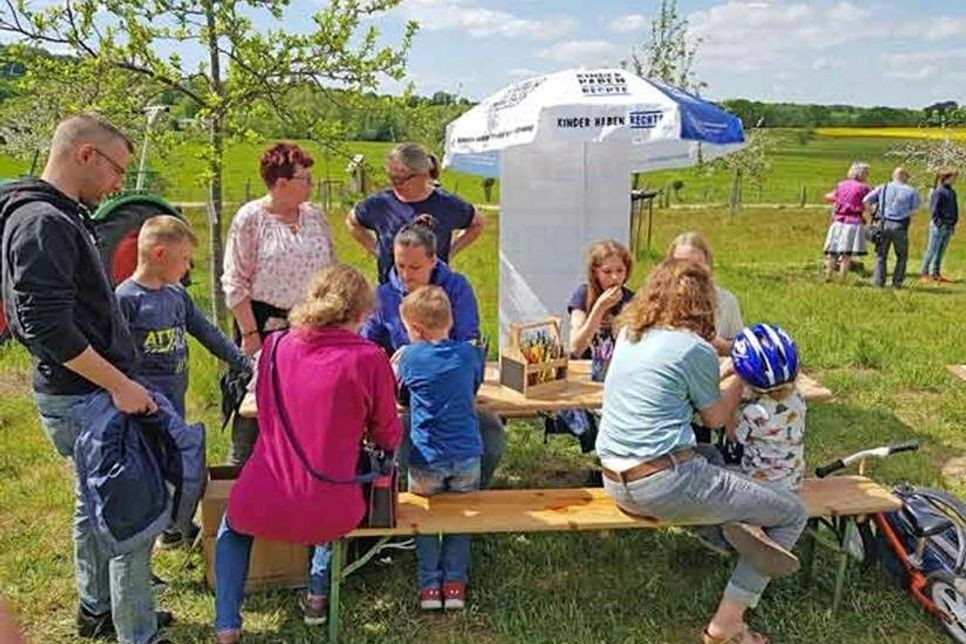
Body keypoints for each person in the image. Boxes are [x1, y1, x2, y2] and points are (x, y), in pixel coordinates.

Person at [0, 113, 171, 643]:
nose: (120, 182)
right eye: (117, 169)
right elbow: (46, 324)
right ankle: (135, 632)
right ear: (85, 155)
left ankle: (95, 609)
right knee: (129, 515)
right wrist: (119, 383)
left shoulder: (57, 214)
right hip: (85, 394)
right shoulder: (42, 222)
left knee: (91, 501)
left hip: (79, 391)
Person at [595, 258, 808, 644]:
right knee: (792, 513)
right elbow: (714, 419)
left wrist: (722, 376)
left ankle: (737, 538)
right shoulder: (694, 348)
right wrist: (741, 375)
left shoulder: (629, 334)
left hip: (615, 480)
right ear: (704, 302)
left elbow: (672, 390)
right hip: (661, 486)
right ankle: (727, 623)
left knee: (713, 460)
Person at [213, 264, 402, 644]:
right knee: (328, 495)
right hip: (332, 503)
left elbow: (264, 410)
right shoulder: (370, 358)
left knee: (231, 530)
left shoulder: (275, 345)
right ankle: (317, 596)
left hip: (266, 491)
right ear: (362, 311)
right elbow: (387, 434)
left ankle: (226, 627)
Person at [116, 215, 250, 549]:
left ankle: (174, 526)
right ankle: (148, 538)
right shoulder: (126, 300)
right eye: (184, 259)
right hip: (143, 408)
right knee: (152, 470)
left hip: (174, 400)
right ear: (159, 253)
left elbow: (208, 334)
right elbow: (114, 356)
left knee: (177, 465)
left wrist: (245, 364)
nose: (188, 267)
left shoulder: (176, 296)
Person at [360, 215, 506, 488]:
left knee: (491, 433)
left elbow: (468, 341)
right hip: (405, 394)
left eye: (415, 267)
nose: (406, 275)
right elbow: (365, 344)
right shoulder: (384, 295)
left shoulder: (456, 288)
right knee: (401, 432)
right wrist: (389, 365)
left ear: (433, 260)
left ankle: (471, 495)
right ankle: (408, 498)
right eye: (400, 265)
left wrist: (425, 353)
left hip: (454, 390)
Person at [221, 142, 336, 465]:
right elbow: (235, 280)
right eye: (305, 179)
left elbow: (331, 268)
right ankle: (238, 490)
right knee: (253, 415)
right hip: (263, 328)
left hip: (313, 330)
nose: (311, 185)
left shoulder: (315, 217)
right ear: (282, 183)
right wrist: (249, 334)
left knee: (306, 415)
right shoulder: (251, 218)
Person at [394, 286, 484, 611]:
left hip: (426, 456)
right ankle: (455, 583)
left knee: (424, 518)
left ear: (415, 329)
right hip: (466, 455)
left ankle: (430, 585)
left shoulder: (410, 356)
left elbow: (401, 396)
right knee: (462, 518)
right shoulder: (468, 354)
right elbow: (473, 385)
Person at [345, 142, 485, 284]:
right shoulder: (380, 203)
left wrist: (450, 252)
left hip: (433, 294)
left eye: (399, 178)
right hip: (391, 296)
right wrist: (377, 251)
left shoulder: (446, 204)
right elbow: (352, 221)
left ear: (422, 175)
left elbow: (477, 223)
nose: (394, 183)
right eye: (391, 176)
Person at [727, 324, 806, 494]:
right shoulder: (797, 398)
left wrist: (730, 409)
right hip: (793, 483)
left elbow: (733, 437)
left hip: (760, 487)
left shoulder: (755, 413)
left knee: (715, 470)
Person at [666, 232, 744, 355]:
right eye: (680, 263)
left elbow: (739, 348)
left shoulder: (726, 300)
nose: (688, 270)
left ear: (708, 265)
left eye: (696, 264)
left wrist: (720, 346)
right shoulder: (657, 302)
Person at [567, 239, 634, 360]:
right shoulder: (583, 294)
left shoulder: (632, 300)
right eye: (607, 272)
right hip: (586, 369)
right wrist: (599, 308)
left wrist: (618, 326)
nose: (615, 278)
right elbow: (575, 349)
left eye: (620, 271)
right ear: (595, 273)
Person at [863, 167, 921, 289]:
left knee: (881, 255)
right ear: (904, 176)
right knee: (902, 255)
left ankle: (879, 282)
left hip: (882, 223)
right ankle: (897, 283)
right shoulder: (911, 191)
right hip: (900, 224)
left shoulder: (883, 187)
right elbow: (915, 208)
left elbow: (866, 200)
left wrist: (873, 213)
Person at [823, 162, 872, 282]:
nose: (867, 176)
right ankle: (842, 278)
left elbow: (831, 197)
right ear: (861, 174)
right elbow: (868, 205)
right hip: (853, 222)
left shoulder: (841, 185)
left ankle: (828, 275)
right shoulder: (864, 188)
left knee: (833, 251)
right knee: (846, 253)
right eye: (866, 173)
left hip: (838, 220)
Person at [920, 168, 958, 284]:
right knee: (931, 250)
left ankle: (935, 273)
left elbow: (954, 208)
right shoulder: (938, 192)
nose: (955, 180)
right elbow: (933, 210)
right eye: (953, 177)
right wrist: (938, 223)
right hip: (939, 226)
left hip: (949, 225)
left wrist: (953, 222)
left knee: (940, 251)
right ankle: (924, 273)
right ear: (945, 178)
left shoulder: (952, 192)